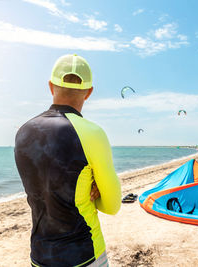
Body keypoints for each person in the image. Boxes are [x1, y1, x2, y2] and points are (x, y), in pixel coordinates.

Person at [14, 54, 121, 267]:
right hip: (84, 255)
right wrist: (95, 193)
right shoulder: (92, 133)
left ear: (51, 86)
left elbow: (45, 189)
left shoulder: (23, 132)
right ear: (89, 92)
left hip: (40, 255)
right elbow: (112, 206)